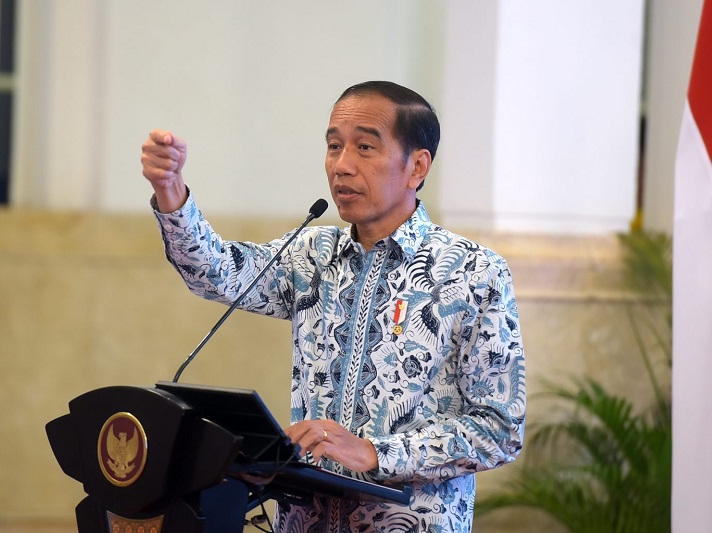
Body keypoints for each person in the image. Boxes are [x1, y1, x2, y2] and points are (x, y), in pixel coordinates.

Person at [141, 81, 525, 533]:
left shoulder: (474, 272)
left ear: (417, 166)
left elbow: (501, 428)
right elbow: (218, 272)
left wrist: (376, 452)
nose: (342, 166)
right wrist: (171, 191)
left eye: (365, 147)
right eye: (333, 146)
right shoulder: (312, 253)